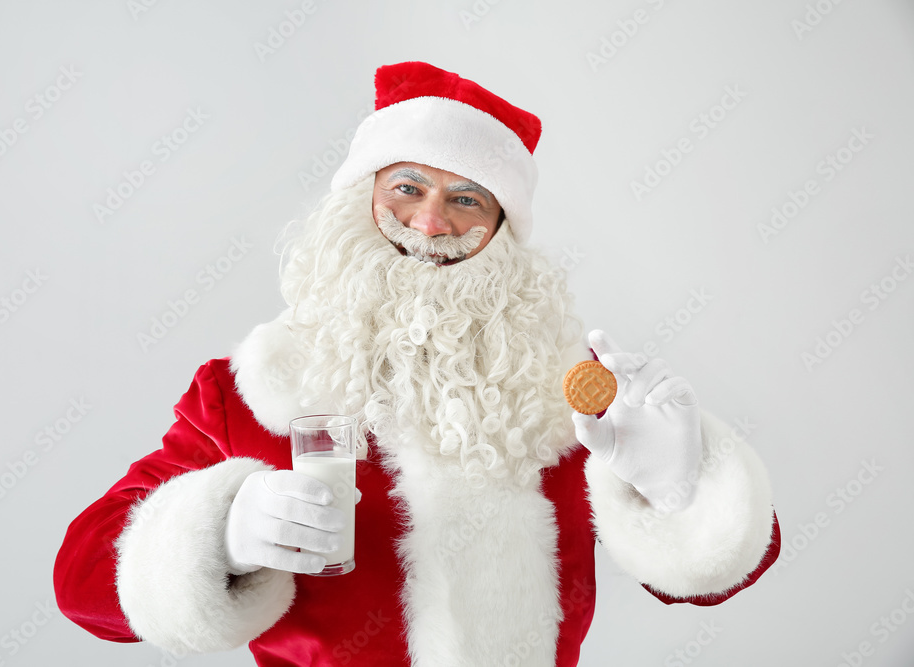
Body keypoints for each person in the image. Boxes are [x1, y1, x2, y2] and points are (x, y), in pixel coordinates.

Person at [54, 61, 781, 666]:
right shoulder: (245, 393)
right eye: (407, 187)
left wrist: (681, 487)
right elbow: (82, 580)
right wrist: (218, 530)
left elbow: (723, 575)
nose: (430, 222)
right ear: (361, 198)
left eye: (466, 199)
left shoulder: (568, 385)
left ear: (501, 230)